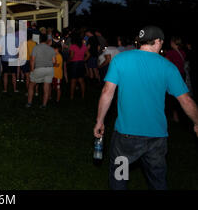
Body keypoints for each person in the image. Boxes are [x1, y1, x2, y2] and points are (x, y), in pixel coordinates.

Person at [94, 25, 198, 190]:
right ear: (157, 42)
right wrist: (196, 122)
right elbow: (186, 100)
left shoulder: (120, 59)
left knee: (120, 179)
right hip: (156, 138)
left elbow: (107, 92)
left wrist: (100, 121)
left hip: (126, 138)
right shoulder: (168, 67)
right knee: (157, 182)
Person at [26, 34, 56, 108]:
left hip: (39, 69)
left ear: (39, 39)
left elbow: (32, 60)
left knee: (31, 86)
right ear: (46, 40)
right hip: (49, 69)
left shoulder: (36, 48)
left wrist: (32, 70)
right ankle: (44, 104)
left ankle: (29, 103)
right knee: (46, 87)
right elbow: (54, 61)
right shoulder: (51, 49)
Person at [165, 36, 187, 123]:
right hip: (182, 75)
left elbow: (166, 64)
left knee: (172, 97)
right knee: (181, 94)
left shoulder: (170, 53)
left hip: (173, 76)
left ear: (173, 43)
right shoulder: (183, 52)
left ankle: (175, 116)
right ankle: (181, 114)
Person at [68, 33, 90, 99]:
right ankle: (83, 95)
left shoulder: (73, 46)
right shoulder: (83, 46)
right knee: (81, 80)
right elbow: (88, 54)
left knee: (73, 80)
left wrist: (68, 61)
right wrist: (83, 60)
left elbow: (71, 56)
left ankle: (71, 96)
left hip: (74, 64)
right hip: (81, 63)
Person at [0, 25, 19, 93]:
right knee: (14, 74)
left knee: (5, 74)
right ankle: (14, 89)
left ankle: (5, 89)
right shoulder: (16, 38)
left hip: (5, 58)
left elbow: (0, 48)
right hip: (13, 58)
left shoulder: (3, 38)